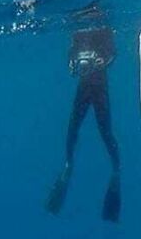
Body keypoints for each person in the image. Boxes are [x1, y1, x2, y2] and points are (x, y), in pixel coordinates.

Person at [46, 25, 121, 222]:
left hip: (99, 87)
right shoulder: (77, 32)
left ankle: (115, 172)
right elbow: (71, 53)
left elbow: (113, 53)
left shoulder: (103, 30)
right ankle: (68, 165)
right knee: (72, 129)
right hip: (84, 87)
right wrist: (72, 64)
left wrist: (103, 61)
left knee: (105, 132)